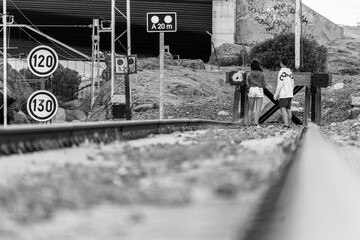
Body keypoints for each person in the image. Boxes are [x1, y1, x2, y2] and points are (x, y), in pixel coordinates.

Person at [273, 58, 294, 128]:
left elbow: (280, 84)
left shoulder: (281, 72)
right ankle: (290, 123)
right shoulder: (290, 72)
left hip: (284, 93)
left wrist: (276, 94)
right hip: (290, 93)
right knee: (288, 109)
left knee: (283, 108)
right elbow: (292, 83)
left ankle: (286, 124)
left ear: (281, 63)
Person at [246, 59, 266, 126]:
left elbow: (247, 84)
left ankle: (249, 124)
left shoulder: (249, 74)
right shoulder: (262, 74)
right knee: (258, 108)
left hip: (251, 90)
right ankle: (256, 123)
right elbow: (264, 85)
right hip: (259, 90)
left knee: (250, 109)